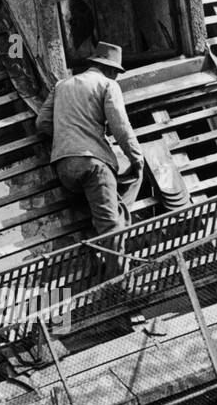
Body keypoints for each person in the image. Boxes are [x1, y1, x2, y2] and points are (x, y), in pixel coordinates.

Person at [36, 43, 144, 261]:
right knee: (111, 224)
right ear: (112, 70)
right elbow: (120, 127)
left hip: (64, 167)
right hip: (93, 163)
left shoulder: (61, 85)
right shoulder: (108, 85)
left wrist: (67, 138)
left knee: (107, 210)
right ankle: (120, 283)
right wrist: (136, 157)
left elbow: (42, 123)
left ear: (94, 63)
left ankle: (105, 252)